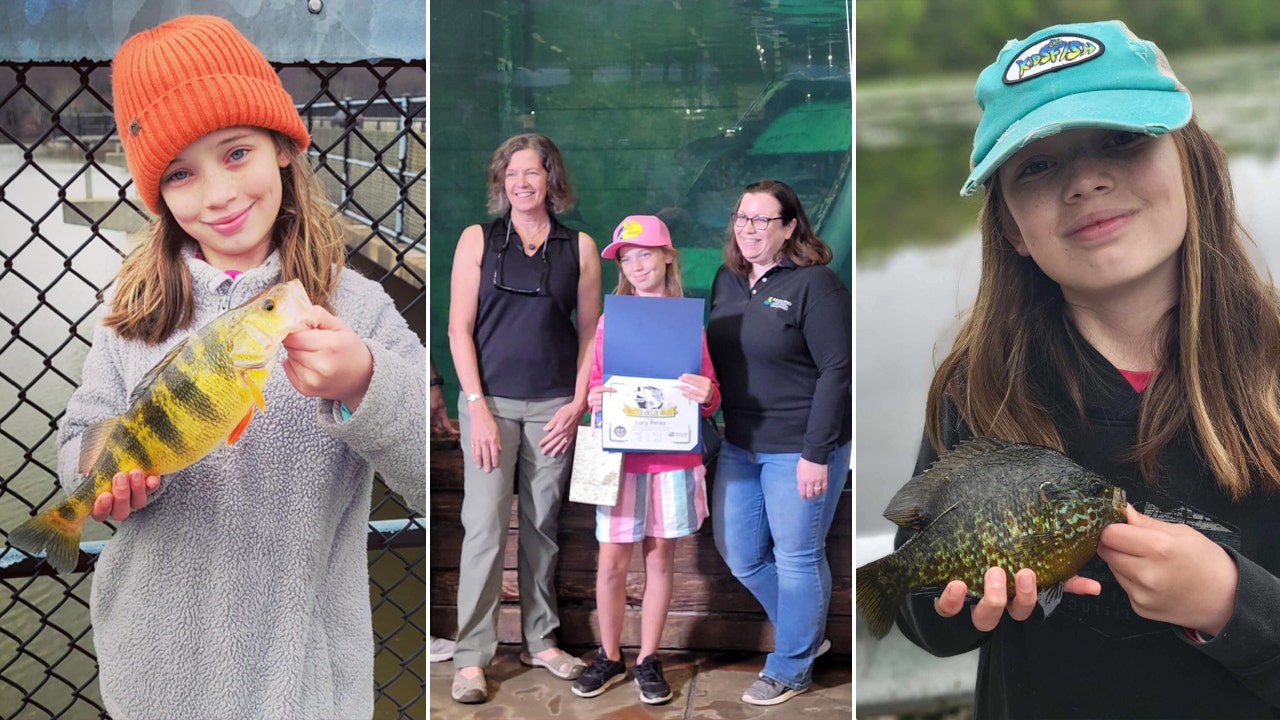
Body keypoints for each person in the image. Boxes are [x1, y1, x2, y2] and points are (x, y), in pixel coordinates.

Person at [894, 20, 1280, 718]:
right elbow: (919, 605)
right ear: (1011, 227)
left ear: (1191, 162)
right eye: (1036, 167)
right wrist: (957, 605)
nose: (1086, 180)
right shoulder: (978, 388)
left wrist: (1233, 602)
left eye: (1121, 139)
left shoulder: (1272, 370)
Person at [59, 15, 425, 720]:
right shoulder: (134, 311)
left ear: (285, 145)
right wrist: (96, 482)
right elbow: (80, 436)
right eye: (180, 174)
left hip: (297, 685)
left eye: (235, 153)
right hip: (150, 678)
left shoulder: (361, 310)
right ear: (157, 194)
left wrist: (366, 385)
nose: (218, 195)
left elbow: (426, 480)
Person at [446, 133, 601, 703]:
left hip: (554, 405)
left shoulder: (579, 247)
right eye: (511, 174)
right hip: (491, 405)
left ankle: (542, 640)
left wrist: (577, 401)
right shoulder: (478, 239)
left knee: (541, 528)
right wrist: (476, 406)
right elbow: (458, 329)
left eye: (531, 173)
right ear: (501, 181)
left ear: (551, 178)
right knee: (485, 528)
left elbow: (590, 332)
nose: (521, 183)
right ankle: (471, 657)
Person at [706, 180, 851, 705]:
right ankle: (805, 637)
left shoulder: (817, 285)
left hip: (801, 446)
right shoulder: (726, 280)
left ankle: (790, 667)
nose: (748, 229)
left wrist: (817, 453)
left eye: (762, 220)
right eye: (742, 218)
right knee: (740, 554)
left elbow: (838, 370)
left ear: (790, 227)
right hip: (741, 442)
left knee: (797, 556)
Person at [573, 215, 720, 705]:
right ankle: (609, 655)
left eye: (644, 254)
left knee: (660, 559)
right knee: (611, 561)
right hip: (616, 458)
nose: (635, 266)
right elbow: (596, 381)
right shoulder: (611, 321)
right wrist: (596, 399)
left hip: (671, 460)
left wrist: (707, 394)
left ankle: (648, 658)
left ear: (667, 257)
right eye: (626, 258)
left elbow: (710, 390)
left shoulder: (687, 321)